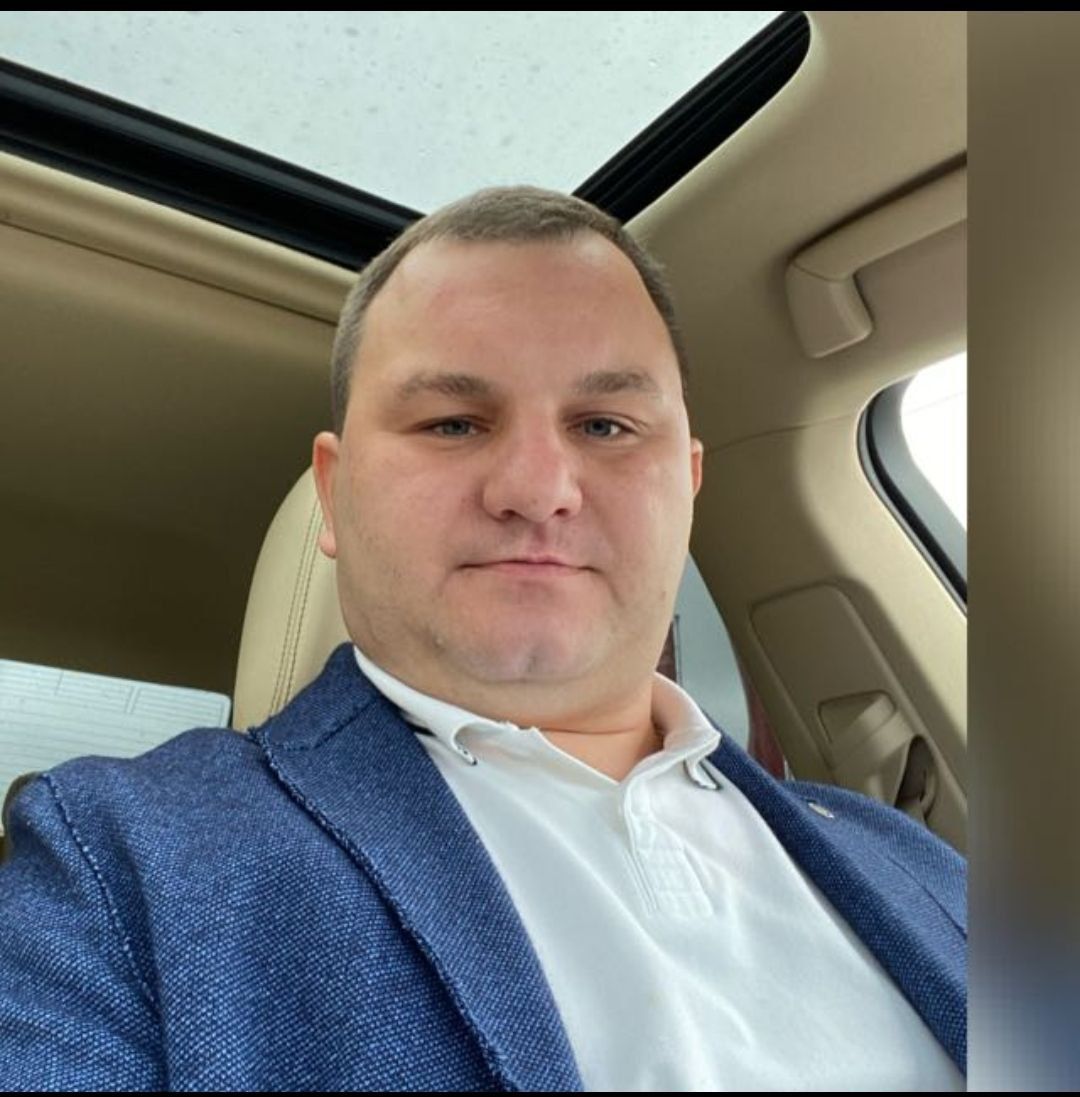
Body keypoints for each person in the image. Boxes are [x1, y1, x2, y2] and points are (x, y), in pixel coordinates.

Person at [0, 186, 966, 1091]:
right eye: (455, 423)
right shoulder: (122, 859)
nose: (537, 489)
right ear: (334, 492)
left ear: (689, 485)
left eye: (606, 424)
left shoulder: (915, 861)